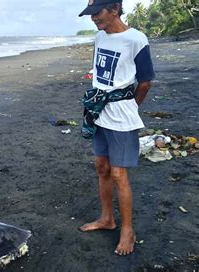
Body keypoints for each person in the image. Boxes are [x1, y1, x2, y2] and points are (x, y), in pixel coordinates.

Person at [78, 0, 155, 256]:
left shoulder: (136, 39)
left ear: (114, 9)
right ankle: (106, 218)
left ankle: (127, 230)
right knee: (102, 167)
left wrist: (130, 106)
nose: (93, 19)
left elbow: (145, 82)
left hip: (122, 115)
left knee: (120, 173)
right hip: (99, 112)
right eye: (90, 13)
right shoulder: (100, 38)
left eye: (97, 13)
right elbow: (100, 74)